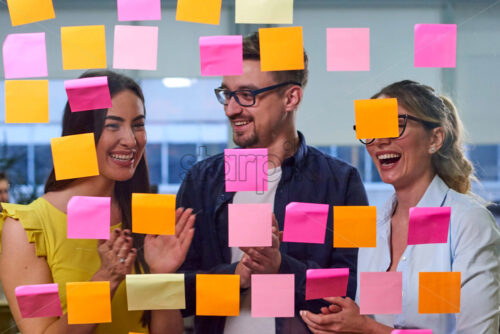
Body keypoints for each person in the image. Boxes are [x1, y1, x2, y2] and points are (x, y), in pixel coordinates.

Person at [177, 32, 368, 333]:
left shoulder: (342, 182)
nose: (231, 109)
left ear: (290, 97)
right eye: (227, 94)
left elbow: (350, 287)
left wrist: (280, 267)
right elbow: (177, 293)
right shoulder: (202, 181)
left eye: (247, 95)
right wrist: (234, 277)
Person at [0, 70, 195, 334]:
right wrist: (104, 281)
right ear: (81, 132)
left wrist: (160, 276)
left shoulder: (147, 216)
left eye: (138, 124)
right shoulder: (27, 229)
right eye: (112, 125)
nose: (130, 140)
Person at [300, 80, 500, 333]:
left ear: (435, 139)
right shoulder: (373, 230)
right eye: (371, 128)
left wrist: (366, 328)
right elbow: (380, 322)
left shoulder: (467, 221)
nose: (380, 141)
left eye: (395, 126)